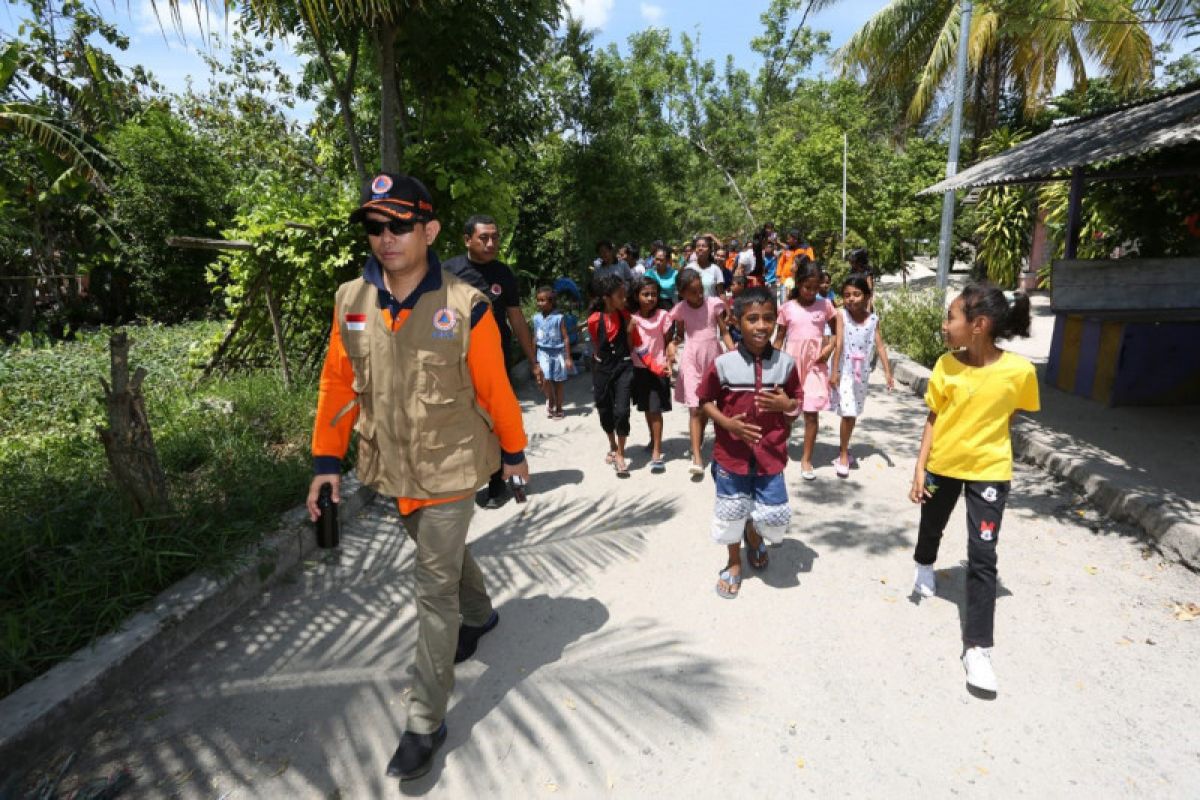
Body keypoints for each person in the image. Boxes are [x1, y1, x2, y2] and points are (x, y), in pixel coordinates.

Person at [307, 173, 529, 782]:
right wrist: (327, 462)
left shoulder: (467, 305)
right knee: (443, 558)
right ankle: (481, 613)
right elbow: (336, 384)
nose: (386, 238)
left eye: (399, 225)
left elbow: (495, 388)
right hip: (391, 469)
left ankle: (424, 721)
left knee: (432, 589)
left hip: (453, 466)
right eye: (375, 227)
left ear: (428, 231)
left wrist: (514, 452)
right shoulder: (350, 301)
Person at [909, 282, 1039, 695]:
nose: (945, 325)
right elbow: (933, 417)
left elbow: (1012, 410)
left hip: (990, 472)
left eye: (952, 317)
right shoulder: (946, 365)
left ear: (978, 325)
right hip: (942, 464)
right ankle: (924, 566)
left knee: (983, 557)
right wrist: (919, 467)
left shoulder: (1020, 372)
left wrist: (985, 440)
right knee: (932, 524)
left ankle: (978, 648)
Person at [698, 285, 802, 599]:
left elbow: (797, 402)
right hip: (732, 457)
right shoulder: (723, 364)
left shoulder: (785, 364)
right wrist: (727, 423)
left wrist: (787, 408)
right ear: (737, 322)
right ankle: (733, 561)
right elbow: (704, 400)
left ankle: (754, 536)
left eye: (768, 318)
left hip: (771, 456)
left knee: (771, 515)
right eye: (752, 319)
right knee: (731, 513)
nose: (761, 326)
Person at [442, 214, 540, 509]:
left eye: (495, 237)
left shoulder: (504, 274)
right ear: (467, 239)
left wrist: (533, 360)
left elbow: (516, 318)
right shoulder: (449, 272)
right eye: (484, 237)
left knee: (497, 418)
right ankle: (464, 480)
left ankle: (498, 484)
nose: (491, 243)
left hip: (496, 360)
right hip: (457, 359)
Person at [773, 261, 837, 481]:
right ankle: (780, 447)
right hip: (791, 367)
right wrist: (771, 364)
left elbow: (838, 331)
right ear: (798, 284)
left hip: (815, 366)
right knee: (788, 414)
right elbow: (779, 338)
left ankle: (806, 459)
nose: (811, 292)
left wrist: (829, 348)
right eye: (807, 287)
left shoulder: (826, 305)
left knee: (811, 414)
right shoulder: (787, 308)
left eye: (816, 288)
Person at [667, 268, 734, 477]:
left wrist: (733, 353)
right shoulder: (680, 309)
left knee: (714, 406)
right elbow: (678, 334)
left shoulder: (713, 304)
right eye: (693, 292)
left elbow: (723, 332)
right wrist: (671, 345)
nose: (699, 295)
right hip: (691, 360)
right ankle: (696, 456)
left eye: (700, 289)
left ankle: (715, 444)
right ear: (682, 293)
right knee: (695, 408)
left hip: (714, 358)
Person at [829, 275, 894, 476]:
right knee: (847, 411)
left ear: (867, 296)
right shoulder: (841, 315)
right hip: (846, 369)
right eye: (847, 295)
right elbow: (839, 343)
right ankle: (842, 454)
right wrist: (835, 371)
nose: (851, 299)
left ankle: (845, 447)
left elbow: (880, 346)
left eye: (856, 294)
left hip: (862, 373)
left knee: (854, 412)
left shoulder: (873, 320)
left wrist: (888, 373)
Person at [589, 274, 636, 477]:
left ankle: (621, 454)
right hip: (602, 369)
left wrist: (629, 331)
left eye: (625, 295)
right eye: (620, 295)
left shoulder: (626, 316)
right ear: (607, 298)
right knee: (604, 409)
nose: (624, 299)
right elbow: (596, 345)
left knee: (622, 411)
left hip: (624, 366)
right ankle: (612, 444)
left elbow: (632, 345)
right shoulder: (593, 320)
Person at [629, 277, 673, 473]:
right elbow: (630, 346)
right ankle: (652, 438)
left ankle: (657, 451)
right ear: (637, 296)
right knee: (647, 408)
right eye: (645, 294)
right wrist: (629, 331)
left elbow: (668, 341)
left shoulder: (664, 316)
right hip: (639, 369)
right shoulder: (633, 319)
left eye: (653, 294)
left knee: (655, 410)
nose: (650, 298)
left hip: (658, 368)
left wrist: (669, 359)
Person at [533, 286, 573, 419]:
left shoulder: (558, 318)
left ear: (551, 302)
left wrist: (567, 357)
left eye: (543, 300)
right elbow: (535, 338)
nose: (540, 303)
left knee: (559, 382)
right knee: (546, 379)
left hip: (558, 354)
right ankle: (550, 399)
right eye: (538, 300)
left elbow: (565, 337)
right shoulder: (536, 318)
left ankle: (559, 407)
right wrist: (534, 359)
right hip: (543, 352)